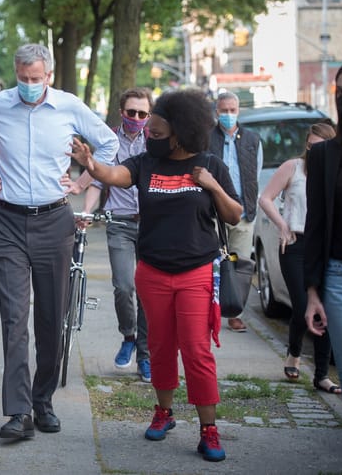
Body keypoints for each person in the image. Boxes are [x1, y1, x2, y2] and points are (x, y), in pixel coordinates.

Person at [70, 89, 242, 462]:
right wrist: (92, 165)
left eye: (159, 133)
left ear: (180, 133)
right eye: (150, 132)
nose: (151, 137)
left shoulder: (210, 165)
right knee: (162, 348)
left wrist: (211, 186)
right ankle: (164, 412)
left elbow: (234, 215)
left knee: (196, 351)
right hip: (153, 273)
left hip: (196, 272)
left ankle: (209, 430)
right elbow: (115, 175)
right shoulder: (146, 163)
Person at [0, 43, 117, 440]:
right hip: (8, 222)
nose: (30, 85)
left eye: (36, 79)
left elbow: (109, 143)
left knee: (51, 318)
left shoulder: (69, 106)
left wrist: (84, 180)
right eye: (23, 79)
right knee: (15, 319)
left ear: (48, 76)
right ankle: (18, 412)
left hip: (54, 221)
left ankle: (42, 399)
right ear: (17, 74)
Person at [258, 123, 340, 393]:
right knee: (303, 303)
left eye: (321, 147)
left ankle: (321, 375)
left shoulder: (332, 172)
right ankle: (293, 352)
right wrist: (282, 225)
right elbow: (266, 198)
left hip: (322, 247)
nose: (315, 151)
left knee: (325, 309)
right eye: (311, 146)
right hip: (295, 243)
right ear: (307, 145)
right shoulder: (293, 168)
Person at [82, 87, 153, 382]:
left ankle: (145, 355)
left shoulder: (156, 142)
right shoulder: (109, 141)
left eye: (143, 113)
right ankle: (128, 336)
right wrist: (86, 212)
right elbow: (97, 181)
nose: (136, 118)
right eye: (131, 112)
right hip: (120, 223)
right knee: (124, 286)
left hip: (152, 224)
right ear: (121, 112)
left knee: (149, 291)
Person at [208, 91, 262, 333]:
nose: (228, 114)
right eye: (224, 110)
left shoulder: (252, 139)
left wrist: (250, 204)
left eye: (233, 110)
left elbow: (255, 176)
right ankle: (211, 309)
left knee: (240, 264)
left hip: (243, 213)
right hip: (213, 213)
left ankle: (235, 312)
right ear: (216, 112)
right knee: (212, 263)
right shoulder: (207, 139)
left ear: (238, 111)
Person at [305, 65, 342, 395]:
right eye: (340, 91)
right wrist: (313, 292)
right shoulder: (323, 155)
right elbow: (315, 225)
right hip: (337, 277)